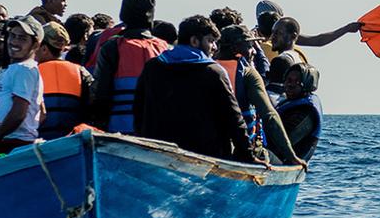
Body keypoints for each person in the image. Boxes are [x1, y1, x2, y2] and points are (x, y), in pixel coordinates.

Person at [133, 15, 256, 162]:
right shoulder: (213, 72)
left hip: (158, 156)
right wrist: (247, 155)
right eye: (210, 41)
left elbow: (138, 110)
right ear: (194, 41)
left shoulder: (152, 67)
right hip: (206, 158)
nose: (215, 47)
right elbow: (233, 118)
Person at [215, 25, 305, 168]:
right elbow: (269, 115)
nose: (254, 51)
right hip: (241, 151)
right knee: (281, 163)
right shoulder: (248, 74)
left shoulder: (207, 67)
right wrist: (291, 155)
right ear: (235, 48)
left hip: (209, 146)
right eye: (249, 46)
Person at [92, 0, 169, 132]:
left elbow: (100, 91)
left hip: (120, 129)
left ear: (123, 15)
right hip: (158, 131)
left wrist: (98, 124)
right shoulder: (165, 49)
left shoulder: (112, 46)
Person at [0, 16, 46, 153]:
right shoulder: (24, 69)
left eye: (22, 38)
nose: (14, 42)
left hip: (15, 143)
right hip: (19, 141)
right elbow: (42, 113)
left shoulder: (23, 69)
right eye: (13, 36)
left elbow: (18, 113)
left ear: (35, 45)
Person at [36, 22, 94, 140]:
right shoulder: (81, 71)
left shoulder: (31, 73)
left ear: (44, 49)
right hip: (72, 142)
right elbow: (93, 106)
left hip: (39, 143)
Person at [276, 62, 323, 162]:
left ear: (307, 85)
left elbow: (284, 143)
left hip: (282, 161)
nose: (290, 85)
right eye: (288, 80)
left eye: (296, 82)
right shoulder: (289, 102)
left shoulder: (307, 112)